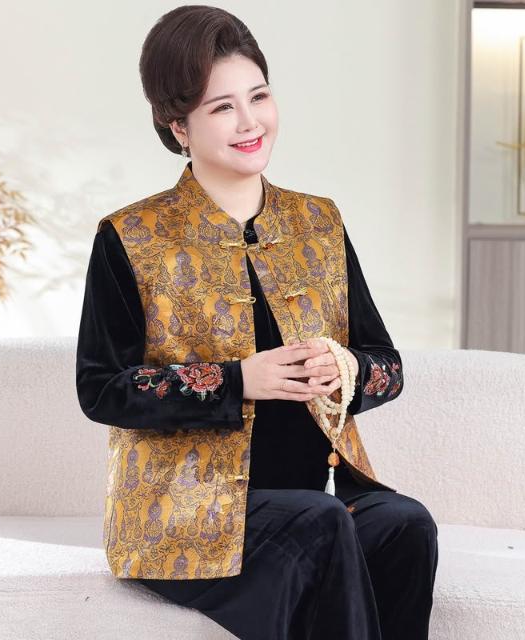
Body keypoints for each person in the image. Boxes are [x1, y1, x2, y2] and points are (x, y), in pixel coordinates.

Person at [76, 5, 438, 640]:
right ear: (178, 126)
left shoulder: (319, 223)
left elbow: (388, 367)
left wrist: (344, 369)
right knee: (321, 525)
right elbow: (101, 389)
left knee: (404, 523)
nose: (250, 122)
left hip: (315, 498)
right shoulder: (130, 237)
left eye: (259, 96)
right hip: (183, 515)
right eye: (222, 107)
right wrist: (238, 380)